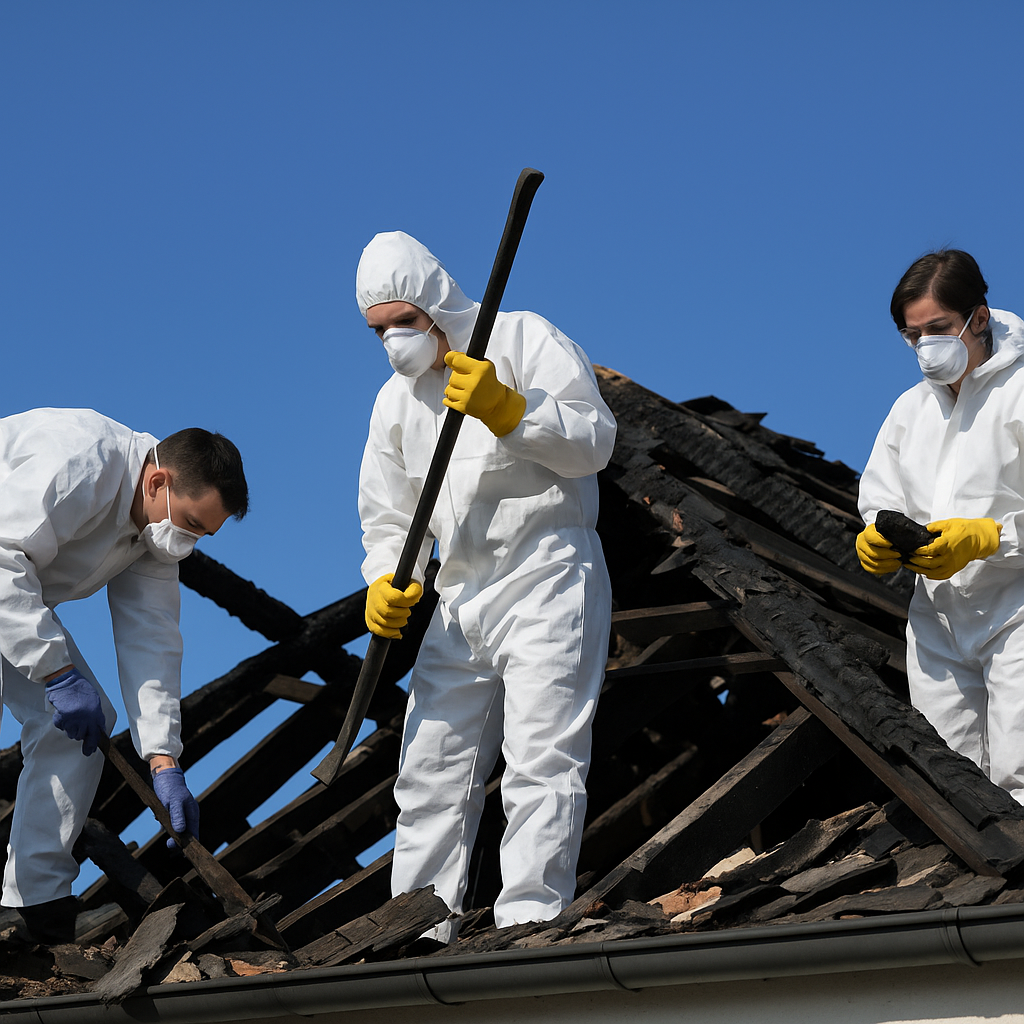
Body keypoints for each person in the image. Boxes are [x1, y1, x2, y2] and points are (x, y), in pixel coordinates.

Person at [354, 231, 616, 939]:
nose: (393, 343)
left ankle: (529, 924)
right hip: (460, 593)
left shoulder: (523, 338)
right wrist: (386, 579)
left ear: (438, 304)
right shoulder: (394, 404)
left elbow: (595, 440)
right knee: (431, 770)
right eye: (378, 331)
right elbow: (387, 517)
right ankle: (411, 936)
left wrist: (511, 409)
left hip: (547, 570)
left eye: (404, 323)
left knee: (543, 756)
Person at [0, 408, 249, 943]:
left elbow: (151, 639)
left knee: (75, 732)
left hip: (13, 603)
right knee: (65, 706)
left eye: (204, 534)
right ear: (159, 480)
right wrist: (58, 674)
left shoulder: (153, 534)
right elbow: (2, 555)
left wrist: (164, 758)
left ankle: (31, 910)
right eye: (192, 524)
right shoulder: (82, 461)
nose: (191, 541)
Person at [856, 249, 1024, 803]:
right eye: (913, 335)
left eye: (938, 328)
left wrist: (992, 537)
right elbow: (880, 500)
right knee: (950, 788)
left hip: (1016, 612)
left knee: (1020, 777)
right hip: (938, 623)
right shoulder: (910, 410)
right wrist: (876, 538)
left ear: (979, 316)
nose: (926, 347)